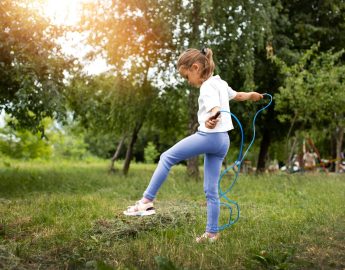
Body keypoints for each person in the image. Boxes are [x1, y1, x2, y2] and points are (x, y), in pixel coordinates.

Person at [123, 48, 263, 243]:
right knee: (211, 190)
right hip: (223, 141)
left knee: (166, 157)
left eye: (187, 76)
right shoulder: (220, 83)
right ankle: (212, 233)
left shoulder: (206, 87)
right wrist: (252, 96)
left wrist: (212, 118)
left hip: (209, 136)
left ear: (196, 67)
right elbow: (237, 95)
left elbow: (214, 108)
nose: (188, 81)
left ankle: (146, 201)